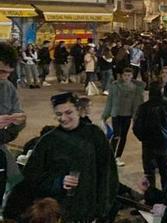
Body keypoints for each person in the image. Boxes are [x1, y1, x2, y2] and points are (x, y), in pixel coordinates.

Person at [22, 92, 118, 222]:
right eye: (59, 114)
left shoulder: (95, 135)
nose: (63, 118)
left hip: (90, 211)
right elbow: (30, 178)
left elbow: (108, 173)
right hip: (58, 214)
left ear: (78, 110)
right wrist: (58, 182)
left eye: (68, 112)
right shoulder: (48, 141)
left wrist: (103, 209)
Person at [133, 81, 167, 189]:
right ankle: (166, 194)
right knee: (164, 170)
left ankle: (151, 195)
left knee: (149, 172)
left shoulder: (143, 107)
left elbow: (136, 127)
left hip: (148, 142)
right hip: (164, 141)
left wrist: (142, 137)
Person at [102, 66, 146, 166]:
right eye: (125, 75)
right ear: (122, 75)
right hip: (116, 114)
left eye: (128, 75)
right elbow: (110, 101)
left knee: (123, 136)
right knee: (116, 135)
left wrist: (137, 116)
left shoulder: (136, 88)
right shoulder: (115, 86)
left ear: (132, 76)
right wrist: (105, 115)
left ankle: (117, 157)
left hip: (127, 115)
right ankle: (110, 156)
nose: (126, 77)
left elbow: (137, 103)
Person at [0, 43, 26, 195]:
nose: (4, 77)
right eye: (1, 71)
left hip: (1, 146)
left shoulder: (7, 87)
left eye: (8, 73)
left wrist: (19, 121)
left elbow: (18, 114)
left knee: (16, 182)